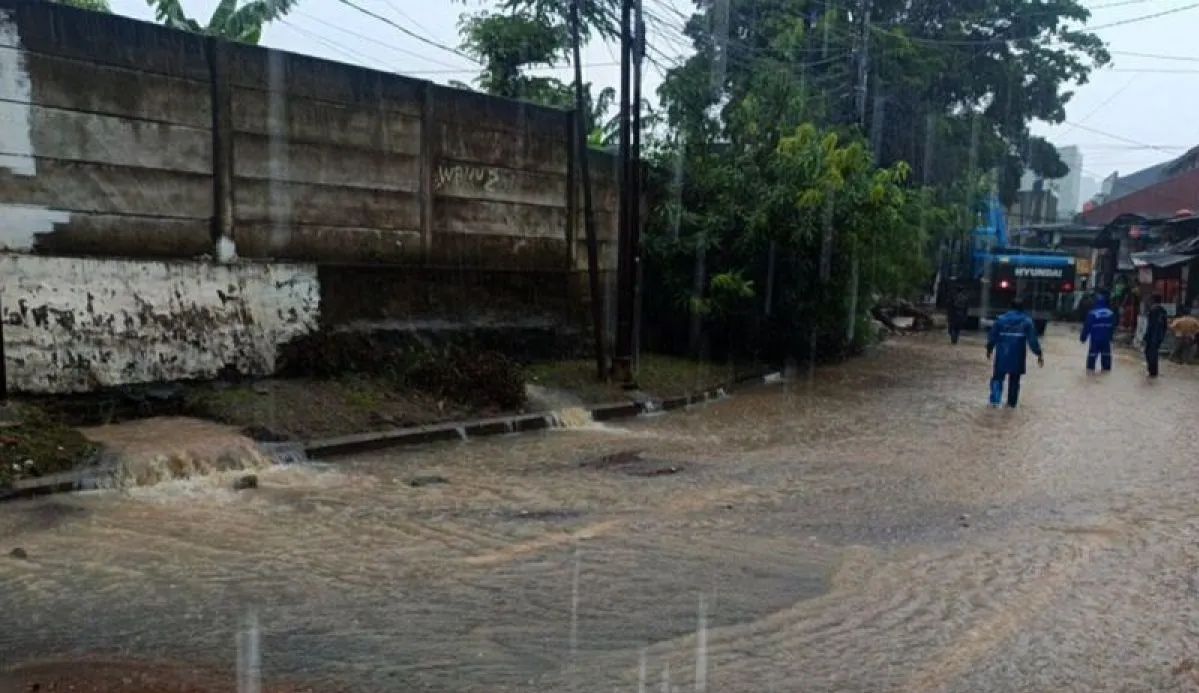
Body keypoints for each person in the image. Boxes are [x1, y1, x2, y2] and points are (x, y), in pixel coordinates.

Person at [986, 297, 1044, 408]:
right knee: (1014, 381)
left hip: (1002, 355)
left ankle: (994, 403)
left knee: (997, 378)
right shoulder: (1027, 321)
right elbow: (1032, 341)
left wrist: (989, 349)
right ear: (1022, 308)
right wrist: (1039, 353)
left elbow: (992, 337)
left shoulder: (1000, 319)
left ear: (1010, 307)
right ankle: (1011, 405)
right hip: (1018, 356)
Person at [1080, 292, 1116, 373]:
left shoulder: (1092, 313)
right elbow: (1113, 327)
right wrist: (1111, 337)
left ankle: (1090, 375)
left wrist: (1083, 338)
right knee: (1106, 360)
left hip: (1095, 340)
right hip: (1106, 340)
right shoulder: (1111, 313)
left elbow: (1087, 327)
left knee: (1091, 361)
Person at [1144, 294, 1169, 377]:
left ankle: (1152, 372)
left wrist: (1146, 336)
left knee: (1149, 353)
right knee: (1154, 353)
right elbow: (1165, 325)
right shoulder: (1163, 311)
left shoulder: (1152, 310)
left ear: (1153, 300)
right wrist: (1162, 335)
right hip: (1159, 336)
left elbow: (1150, 325)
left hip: (1152, 336)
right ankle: (1154, 372)